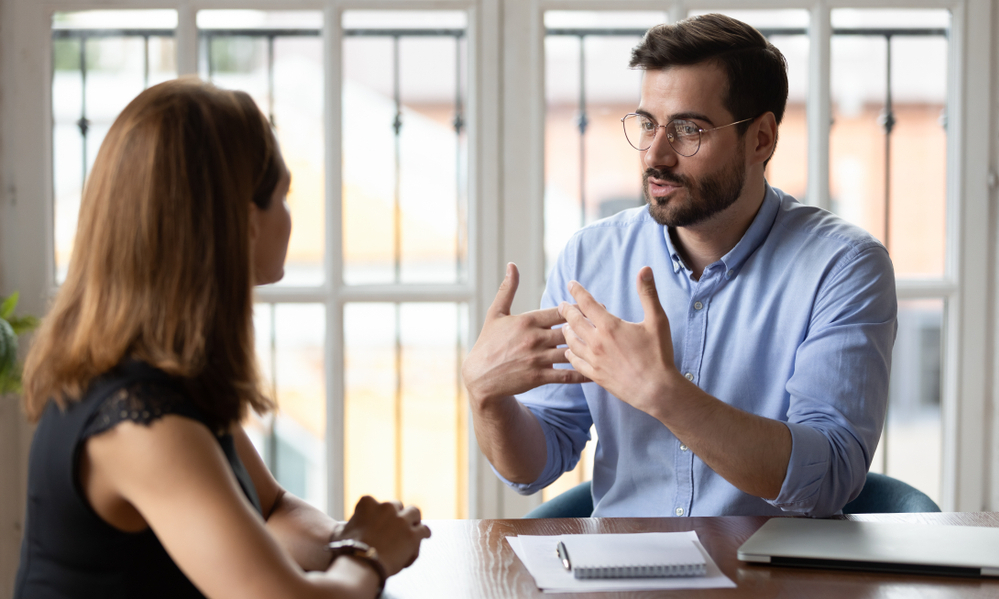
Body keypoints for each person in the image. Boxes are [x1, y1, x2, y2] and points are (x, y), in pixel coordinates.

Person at [462, 13, 897, 518]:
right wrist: (486, 397)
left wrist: (663, 394)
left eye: (689, 129)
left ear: (761, 139)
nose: (655, 154)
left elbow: (830, 478)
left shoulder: (843, 267)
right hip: (624, 576)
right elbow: (539, 461)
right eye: (648, 123)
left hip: (772, 578)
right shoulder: (591, 257)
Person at [15, 78, 430, 599]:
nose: (290, 216)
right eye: (283, 196)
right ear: (241, 222)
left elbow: (273, 511)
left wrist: (347, 539)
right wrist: (367, 554)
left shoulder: (169, 375)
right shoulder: (140, 420)